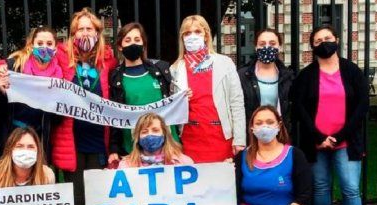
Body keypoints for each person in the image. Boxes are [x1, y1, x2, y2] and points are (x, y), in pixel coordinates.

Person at [291, 25, 369, 205]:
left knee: (350, 189)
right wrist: (318, 137)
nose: (324, 42)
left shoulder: (351, 71)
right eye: (318, 40)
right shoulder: (306, 75)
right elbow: (299, 108)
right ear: (312, 46)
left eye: (327, 38)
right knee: (322, 189)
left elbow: (362, 105)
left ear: (336, 39)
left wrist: (339, 136)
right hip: (317, 143)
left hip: (346, 142)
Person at [50, 7, 117, 205]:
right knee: (77, 196)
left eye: (90, 28)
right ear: (72, 33)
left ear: (98, 32)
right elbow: (23, 61)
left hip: (99, 138)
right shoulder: (59, 55)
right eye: (80, 29)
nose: (85, 33)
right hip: (72, 139)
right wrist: (1, 69)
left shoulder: (108, 60)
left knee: (98, 196)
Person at [171, 14, 246, 163]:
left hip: (220, 137)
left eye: (197, 31)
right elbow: (173, 110)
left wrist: (239, 139)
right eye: (187, 33)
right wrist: (181, 100)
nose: (192, 36)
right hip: (190, 138)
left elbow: (236, 102)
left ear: (206, 35)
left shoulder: (225, 63)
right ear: (182, 38)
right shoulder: (175, 68)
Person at [108, 22, 177, 167]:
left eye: (137, 40)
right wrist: (114, 147)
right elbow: (114, 114)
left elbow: (173, 101)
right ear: (120, 46)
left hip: (167, 146)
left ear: (143, 44)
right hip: (132, 148)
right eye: (128, 40)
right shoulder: (115, 77)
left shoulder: (161, 70)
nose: (133, 44)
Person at [0, 25, 63, 159]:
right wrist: (2, 92)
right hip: (12, 134)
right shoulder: (15, 66)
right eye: (40, 43)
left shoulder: (58, 76)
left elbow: (56, 120)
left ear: (55, 47)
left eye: (49, 44)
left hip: (39, 138)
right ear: (32, 45)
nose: (44, 47)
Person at [237, 29, 294, 132]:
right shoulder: (243, 75)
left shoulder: (288, 76)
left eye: (272, 43)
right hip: (252, 134)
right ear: (256, 47)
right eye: (262, 44)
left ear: (280, 47)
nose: (267, 47)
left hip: (279, 134)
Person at [117, 113, 193, 168]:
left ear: (164, 134)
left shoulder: (184, 162)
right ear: (138, 137)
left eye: (155, 130)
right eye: (144, 132)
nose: (150, 135)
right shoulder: (125, 165)